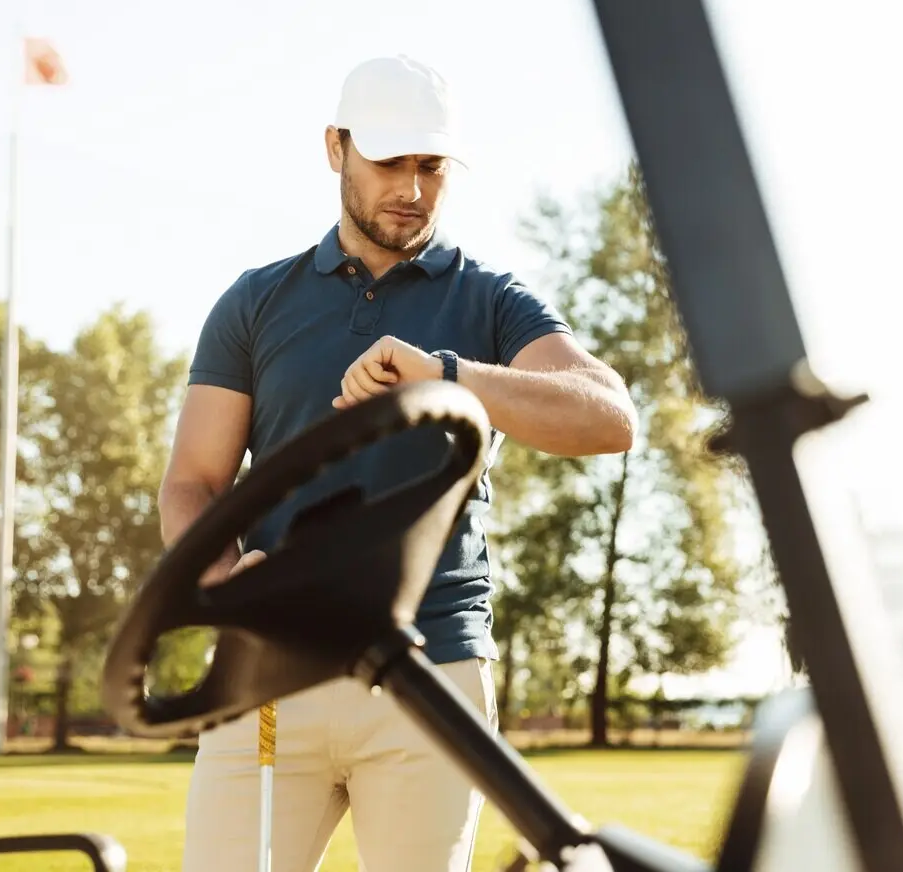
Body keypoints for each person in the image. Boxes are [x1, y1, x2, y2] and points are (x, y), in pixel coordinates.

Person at [161, 54, 637, 872]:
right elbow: (192, 482)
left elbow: (609, 416)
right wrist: (227, 581)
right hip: (268, 672)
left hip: (433, 675)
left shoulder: (492, 299)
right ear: (336, 148)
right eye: (389, 162)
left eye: (431, 166)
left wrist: (445, 375)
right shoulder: (254, 301)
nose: (412, 189)